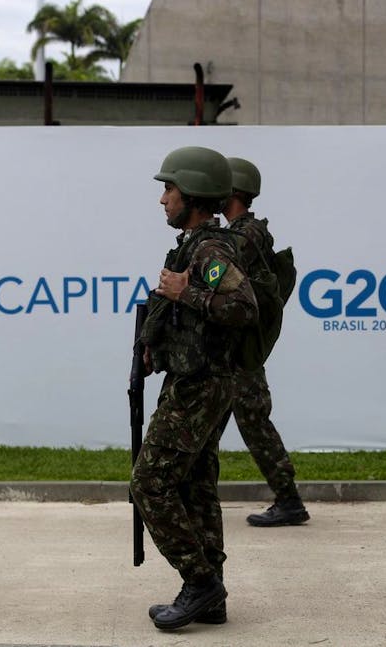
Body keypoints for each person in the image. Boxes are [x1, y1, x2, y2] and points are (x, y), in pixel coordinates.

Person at [131, 146, 258, 630]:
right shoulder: (196, 244)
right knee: (196, 486)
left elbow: (245, 309)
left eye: (169, 189)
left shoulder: (210, 250)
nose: (163, 199)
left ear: (194, 194)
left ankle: (200, 582)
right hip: (196, 379)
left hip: (201, 385)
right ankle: (212, 597)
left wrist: (188, 293)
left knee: (149, 482)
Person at [221, 156, 310, 527]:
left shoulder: (247, 235)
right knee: (214, 424)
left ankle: (289, 500)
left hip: (240, 350)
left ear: (234, 192)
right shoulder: (241, 232)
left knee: (253, 421)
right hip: (232, 348)